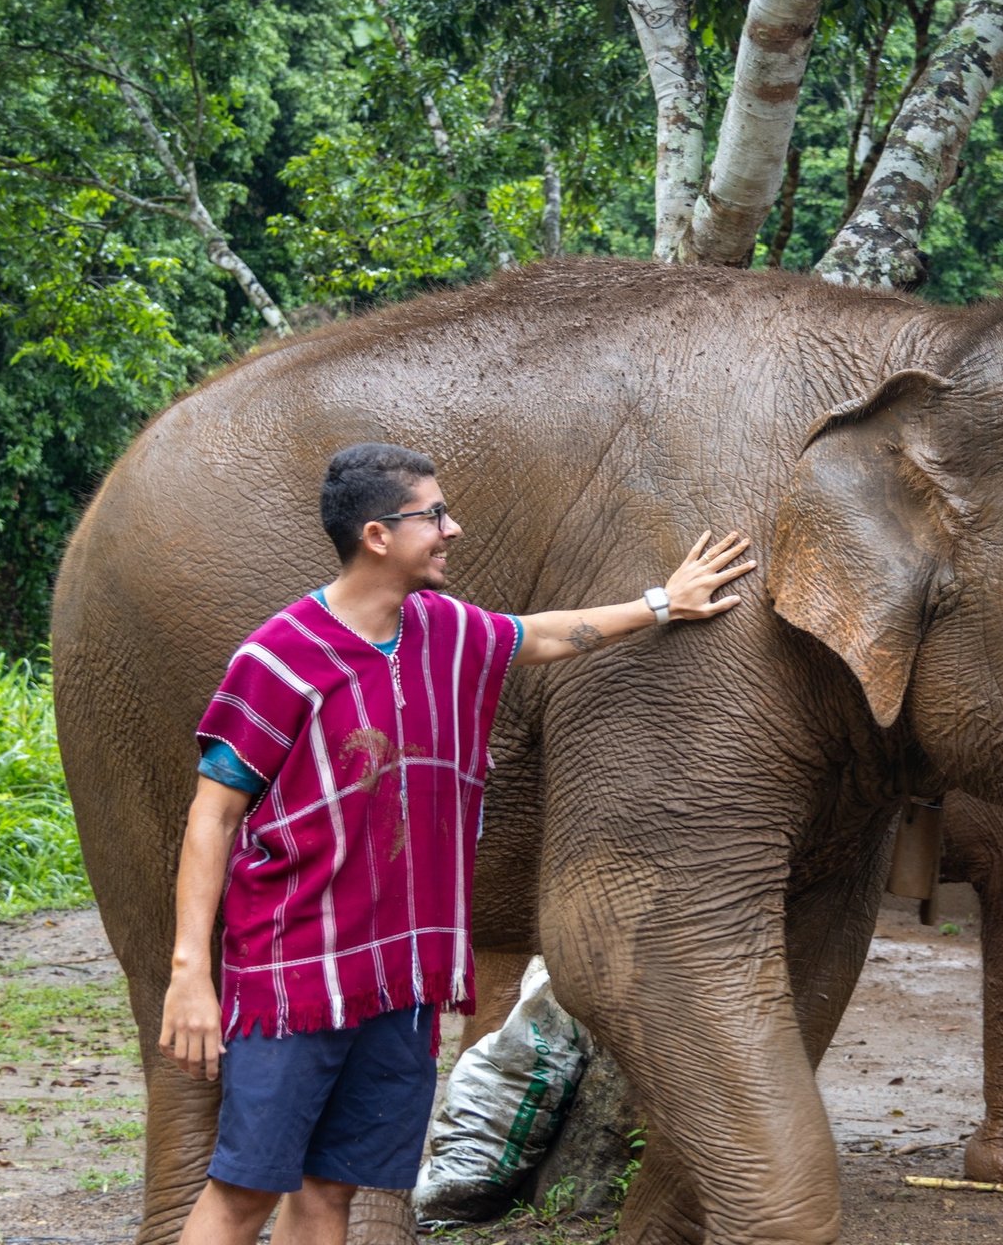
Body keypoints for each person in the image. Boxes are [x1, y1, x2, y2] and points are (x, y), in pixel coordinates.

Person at [157, 442, 755, 1245]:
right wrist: (191, 975)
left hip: (397, 976)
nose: (452, 528)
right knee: (242, 1193)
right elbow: (212, 817)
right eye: (433, 515)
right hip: (295, 970)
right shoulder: (278, 658)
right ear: (377, 535)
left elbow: (539, 637)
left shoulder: (444, 630)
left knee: (330, 1189)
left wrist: (661, 604)